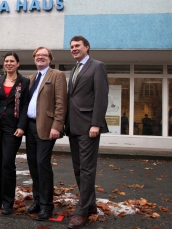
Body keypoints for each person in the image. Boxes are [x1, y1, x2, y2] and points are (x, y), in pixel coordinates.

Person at [65, 35, 109, 228]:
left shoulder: (97, 66)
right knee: (78, 168)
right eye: (72, 46)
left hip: (89, 126)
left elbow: (101, 96)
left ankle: (81, 211)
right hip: (73, 127)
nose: (74, 49)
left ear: (87, 47)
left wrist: (96, 124)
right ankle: (90, 204)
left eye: (77, 46)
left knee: (87, 169)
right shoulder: (75, 69)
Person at [0, 52, 29, 215]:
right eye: (6, 61)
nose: (8, 63)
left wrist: (22, 126)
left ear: (18, 64)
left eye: (12, 61)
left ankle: (8, 203)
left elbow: (24, 106)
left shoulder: (24, 82)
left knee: (7, 163)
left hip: (12, 127)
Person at [26, 47, 67, 221]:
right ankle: (37, 200)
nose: (40, 57)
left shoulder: (56, 75)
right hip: (30, 127)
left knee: (43, 165)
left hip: (47, 127)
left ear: (50, 59)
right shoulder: (32, 78)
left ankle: (46, 206)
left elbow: (61, 102)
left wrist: (57, 125)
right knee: (33, 166)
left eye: (44, 55)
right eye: (38, 55)